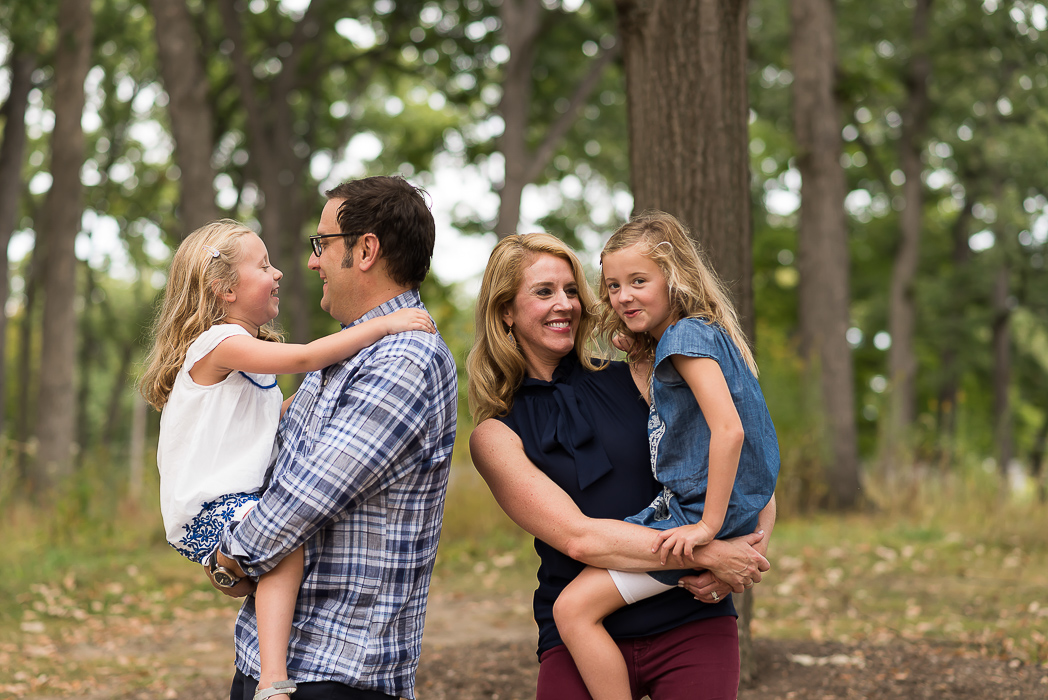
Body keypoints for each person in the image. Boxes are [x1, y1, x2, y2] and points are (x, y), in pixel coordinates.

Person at [467, 232, 774, 700]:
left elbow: (747, 459)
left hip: (688, 618)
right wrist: (710, 551)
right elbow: (579, 536)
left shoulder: (642, 373)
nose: (565, 304)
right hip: (578, 637)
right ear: (505, 311)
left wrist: (744, 555)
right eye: (544, 292)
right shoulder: (496, 435)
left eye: (572, 290)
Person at [138, 219, 435, 700]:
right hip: (208, 505)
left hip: (232, 501)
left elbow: (272, 421)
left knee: (280, 545)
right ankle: (274, 679)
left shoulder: (246, 354)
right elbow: (306, 359)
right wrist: (382, 326)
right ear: (224, 290)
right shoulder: (220, 343)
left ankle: (271, 670)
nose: (279, 273)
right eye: (263, 266)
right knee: (286, 542)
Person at [203, 176, 458, 700]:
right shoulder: (343, 357)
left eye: (322, 244)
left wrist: (228, 557)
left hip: (339, 671)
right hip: (277, 661)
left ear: (366, 250)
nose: (312, 261)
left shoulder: (405, 357)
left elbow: (306, 496)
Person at [551, 211, 780, 700]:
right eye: (613, 286)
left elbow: (730, 431)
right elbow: (760, 460)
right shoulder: (705, 336)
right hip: (732, 513)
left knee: (572, 610)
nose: (622, 296)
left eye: (639, 281)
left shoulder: (681, 341)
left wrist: (704, 529)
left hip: (692, 516)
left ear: (674, 277)